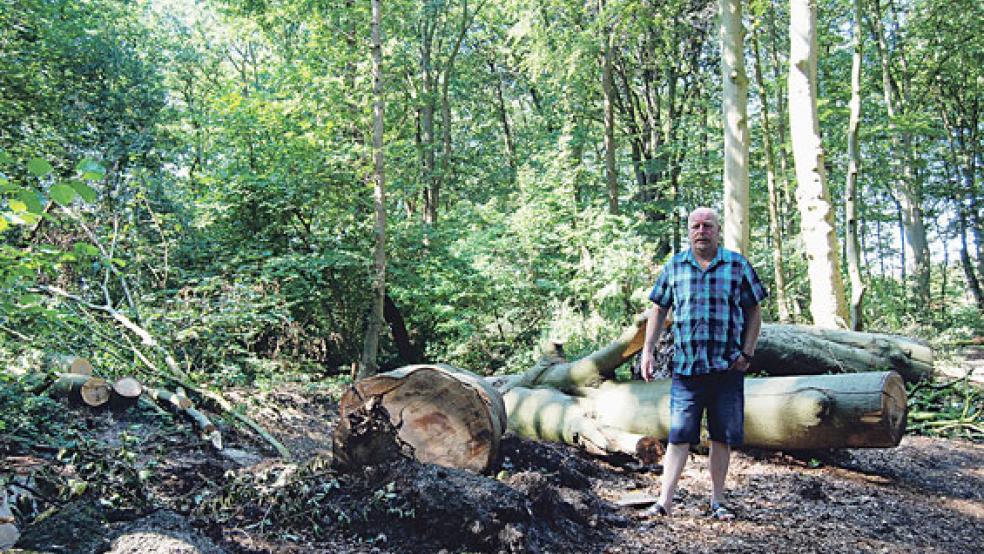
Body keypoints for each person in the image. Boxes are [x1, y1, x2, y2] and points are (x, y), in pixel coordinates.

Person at [639, 207, 768, 521]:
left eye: (707, 225)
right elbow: (658, 308)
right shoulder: (675, 266)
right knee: (678, 436)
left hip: (727, 368)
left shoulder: (736, 266)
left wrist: (748, 353)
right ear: (688, 230)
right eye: (695, 226)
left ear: (717, 230)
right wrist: (648, 349)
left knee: (722, 437)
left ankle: (718, 501)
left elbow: (754, 311)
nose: (701, 231)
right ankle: (664, 502)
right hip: (687, 369)